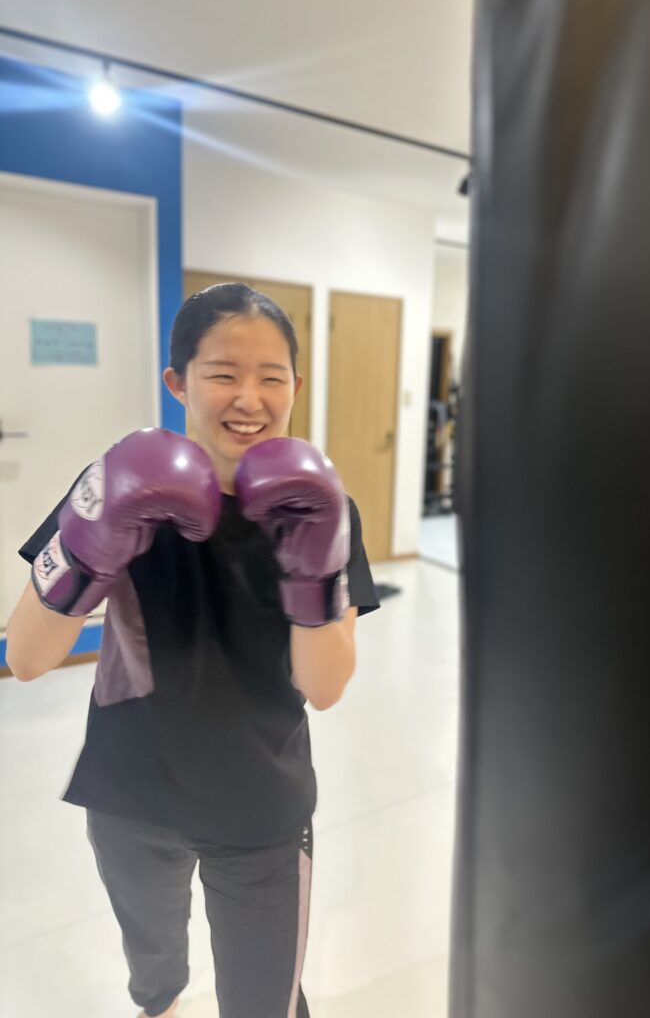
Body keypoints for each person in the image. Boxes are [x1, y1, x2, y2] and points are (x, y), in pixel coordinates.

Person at [5, 283, 380, 1018]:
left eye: (271, 377)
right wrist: (90, 550)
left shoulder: (323, 508)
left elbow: (327, 687)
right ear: (178, 382)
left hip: (260, 807)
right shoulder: (115, 484)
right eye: (223, 374)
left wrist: (311, 569)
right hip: (129, 792)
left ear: (296, 386)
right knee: (156, 978)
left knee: (263, 1002)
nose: (249, 398)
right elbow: (25, 658)